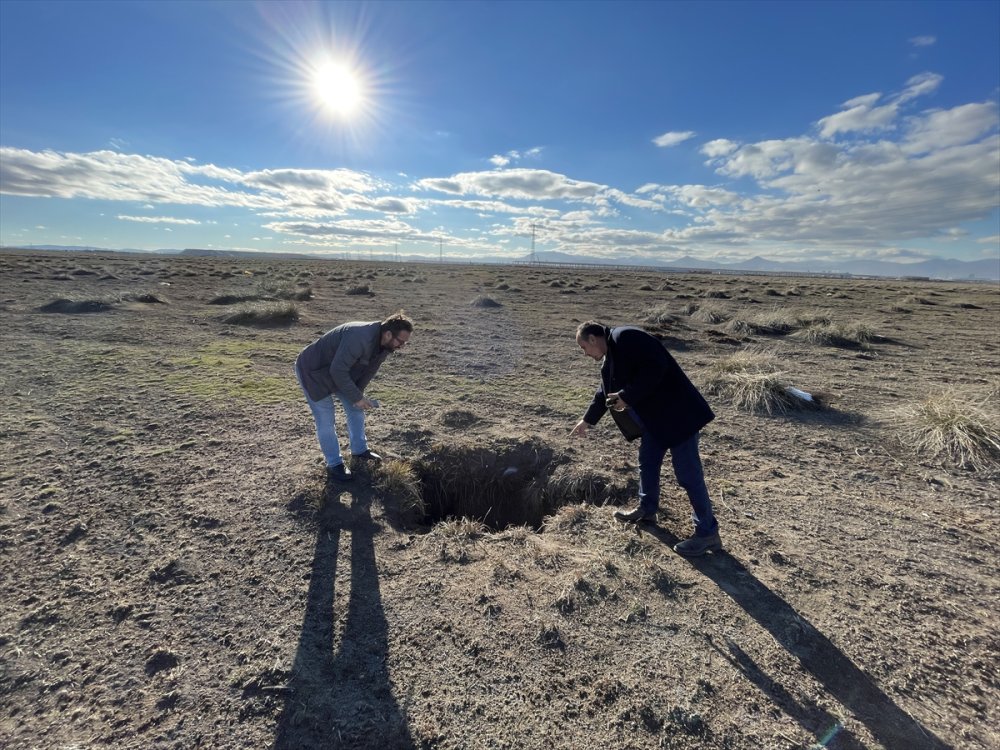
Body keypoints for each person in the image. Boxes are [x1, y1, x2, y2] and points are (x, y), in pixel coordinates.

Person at [570, 321, 721, 556]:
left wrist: (627, 396)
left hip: (679, 416)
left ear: (592, 339)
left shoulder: (626, 337)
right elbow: (604, 393)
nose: (585, 354)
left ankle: (707, 533)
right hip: (656, 422)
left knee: (688, 475)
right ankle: (647, 509)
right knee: (647, 463)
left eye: (583, 348)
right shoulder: (611, 356)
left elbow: (656, 366)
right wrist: (587, 420)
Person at [295, 311, 412, 481]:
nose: (402, 346)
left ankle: (359, 451)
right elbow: (337, 370)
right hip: (313, 372)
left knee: (356, 409)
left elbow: (369, 370)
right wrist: (356, 398)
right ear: (388, 334)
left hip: (339, 372)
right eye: (401, 342)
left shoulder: (385, 345)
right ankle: (334, 465)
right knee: (326, 419)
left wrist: (358, 396)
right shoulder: (360, 337)